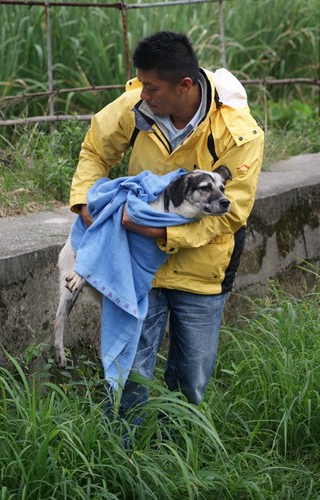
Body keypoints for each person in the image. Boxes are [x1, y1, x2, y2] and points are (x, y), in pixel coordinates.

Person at [69, 31, 264, 414]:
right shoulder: (135, 106)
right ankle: (122, 459)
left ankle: (179, 461)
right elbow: (95, 150)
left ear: (185, 86)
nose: (144, 95)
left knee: (190, 380)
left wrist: (163, 231)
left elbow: (234, 212)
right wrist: (83, 203)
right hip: (139, 265)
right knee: (129, 374)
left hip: (203, 271)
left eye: (152, 88)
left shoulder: (239, 132)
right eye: (141, 84)